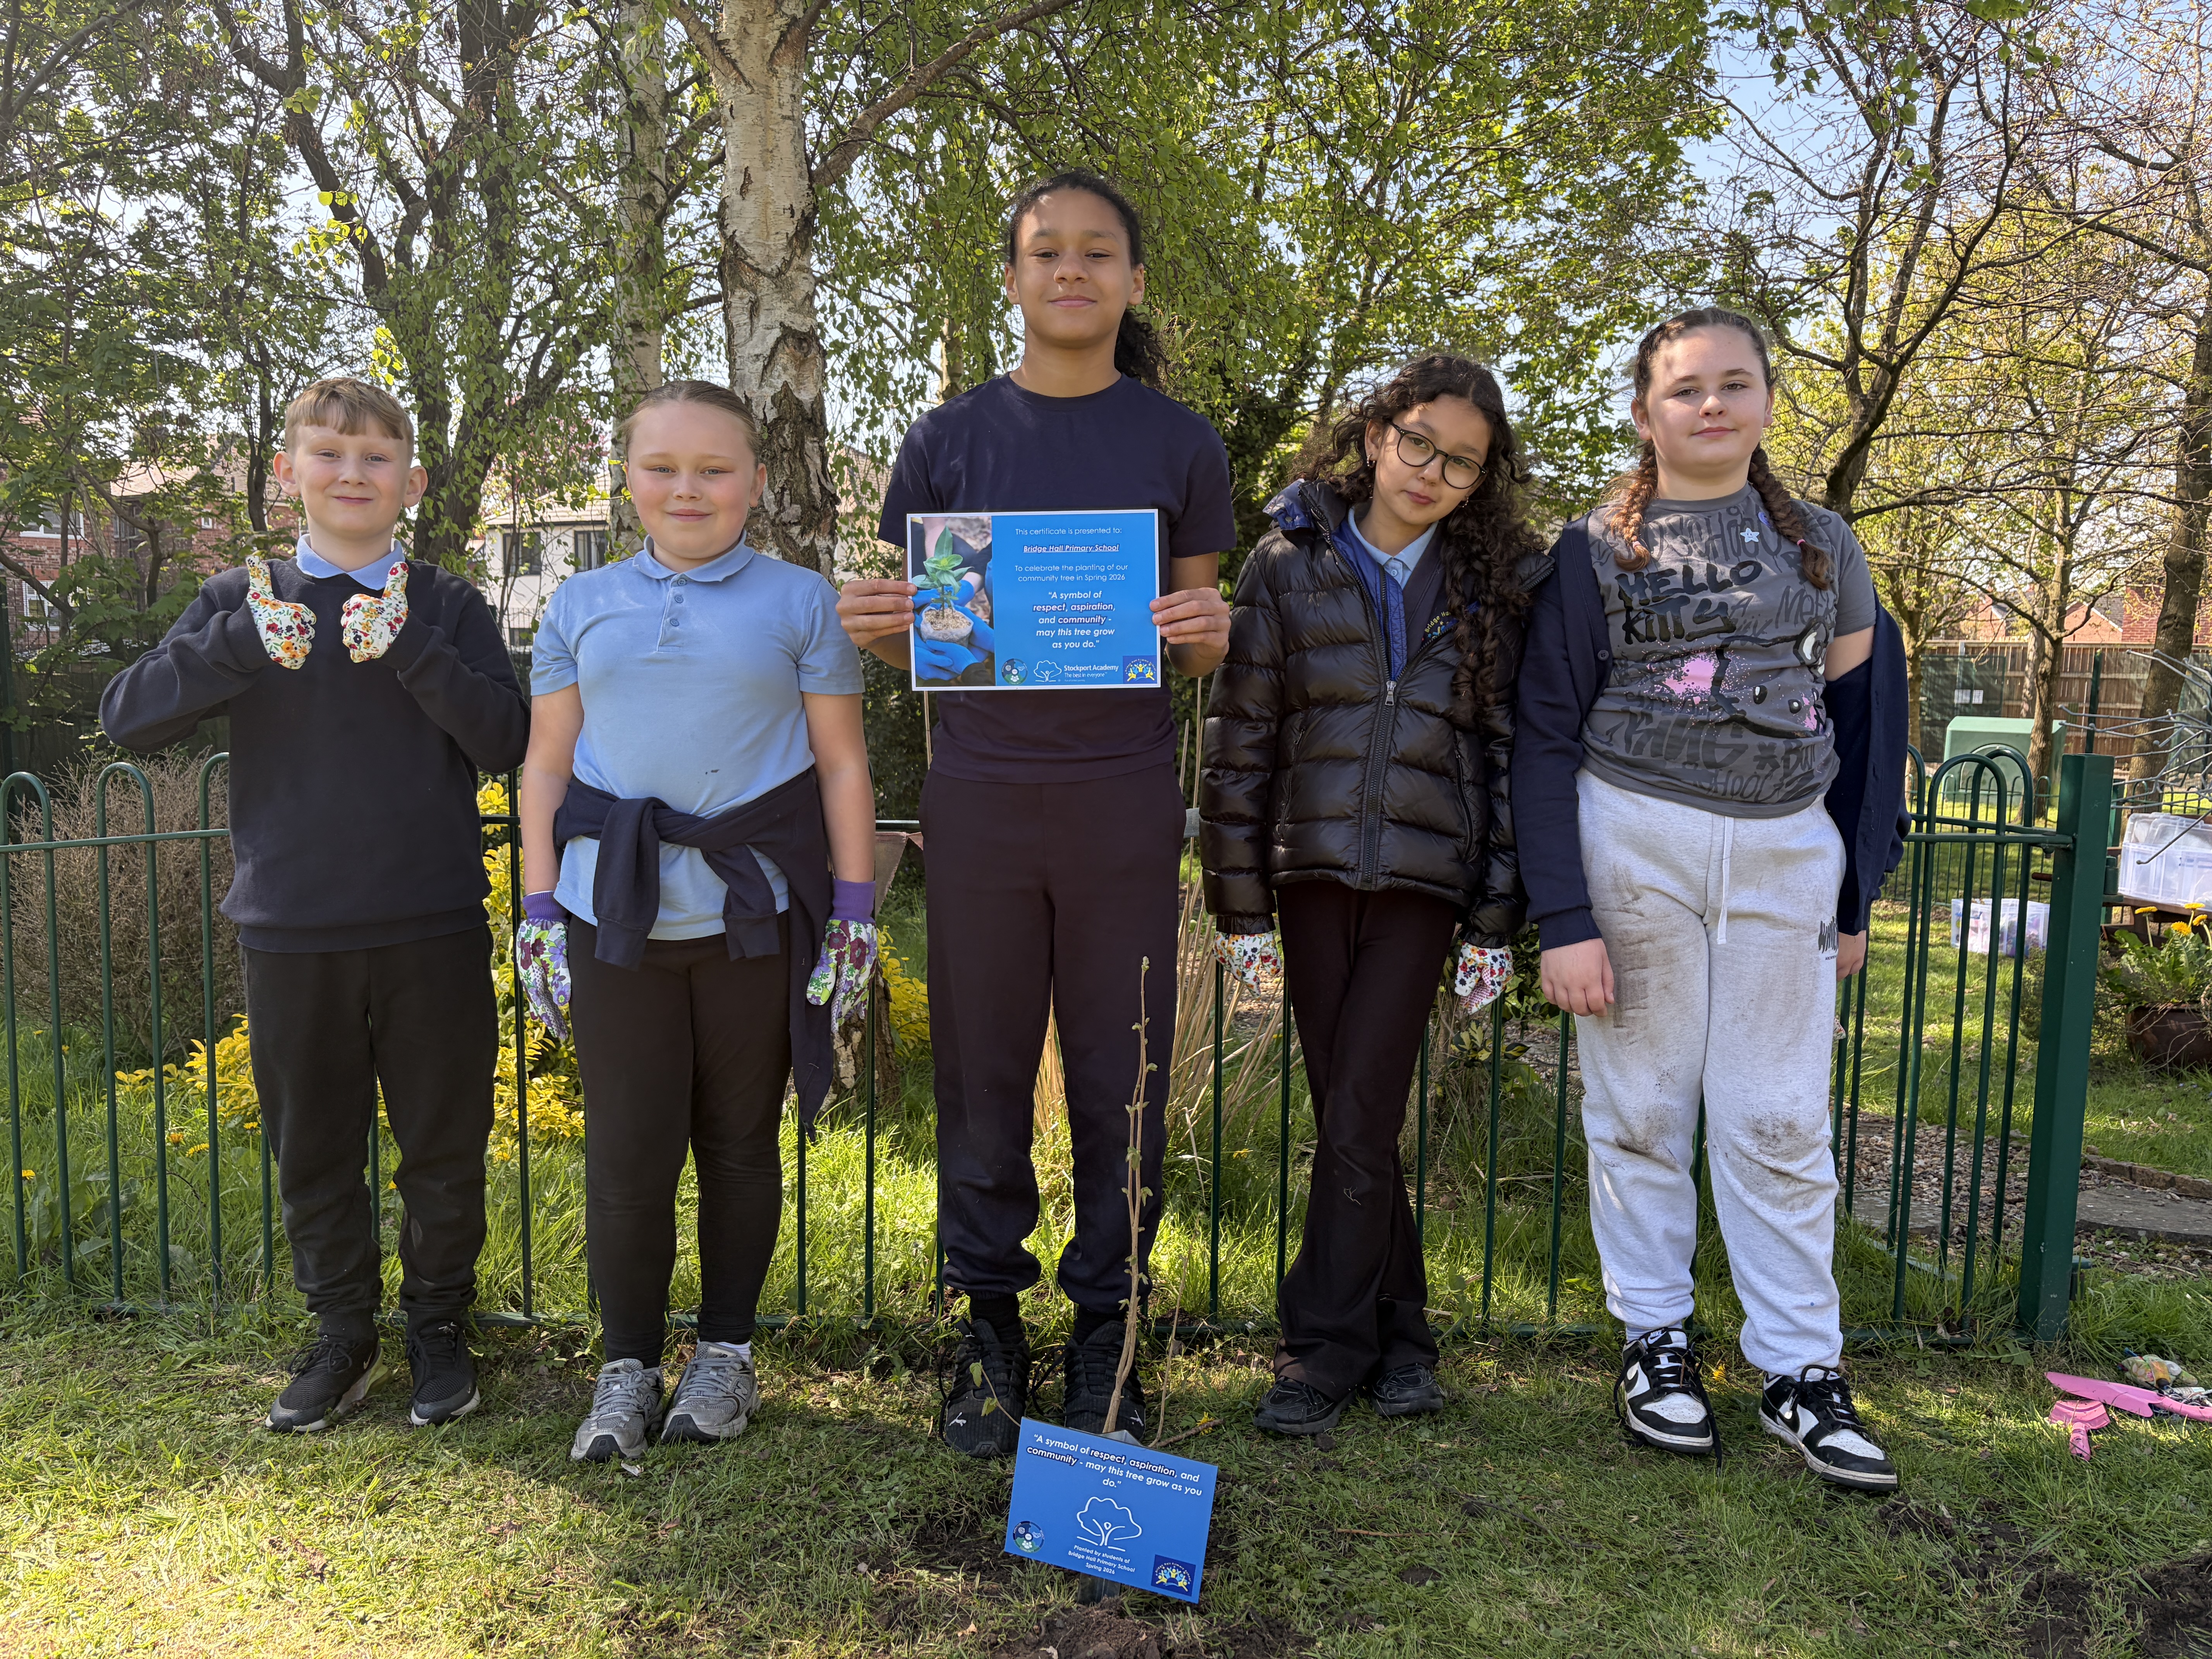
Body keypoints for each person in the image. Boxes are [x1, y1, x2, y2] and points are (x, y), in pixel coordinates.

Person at [835, 170, 1236, 1456]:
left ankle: (1110, 1329)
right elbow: (935, 648)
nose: (1071, 270)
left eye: (1098, 252)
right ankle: (985, 1325)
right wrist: (885, 634)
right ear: (1010, 278)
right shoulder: (946, 442)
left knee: (1126, 1065)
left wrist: (1209, 635)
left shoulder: (1180, 443)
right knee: (984, 1064)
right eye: (1045, 252)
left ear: (1130, 280)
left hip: (1122, 795)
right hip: (983, 797)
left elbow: (1191, 645)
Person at [1513, 307, 1909, 1491]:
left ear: (1770, 405)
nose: (1712, 406)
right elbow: (1542, 732)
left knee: (1779, 1115)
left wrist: (1854, 890)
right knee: (1639, 1106)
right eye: (1686, 390)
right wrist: (1564, 916)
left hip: (1787, 847)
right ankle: (1658, 1345)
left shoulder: (1827, 547)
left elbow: (1865, 722)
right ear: (1647, 415)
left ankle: (1801, 1368)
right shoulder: (1592, 551)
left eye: (1737, 385)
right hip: (1632, 835)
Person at [101, 377, 529, 1432]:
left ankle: (438, 1326)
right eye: (329, 455)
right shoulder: (240, 601)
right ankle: (343, 1331)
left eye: (377, 458)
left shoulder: (449, 606)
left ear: (412, 482)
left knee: (443, 1141)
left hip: (429, 922)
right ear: (286, 472)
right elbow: (126, 720)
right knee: (315, 1149)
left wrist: (414, 651)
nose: (352, 474)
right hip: (290, 929)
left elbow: (509, 741)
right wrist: (241, 645)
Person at [514, 380, 876, 1464]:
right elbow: (545, 763)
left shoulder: (802, 601)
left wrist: (854, 913)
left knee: (736, 1142)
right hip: (608, 915)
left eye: (714, 469)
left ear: (756, 483)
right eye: (662, 467)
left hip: (751, 918)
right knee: (627, 1153)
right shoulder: (577, 605)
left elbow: (844, 762)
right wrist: (537, 911)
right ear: (626, 482)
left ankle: (725, 1354)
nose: (688, 488)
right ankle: (625, 1366)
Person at [1200, 354, 1539, 1436]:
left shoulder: (1494, 586)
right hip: (1307, 873)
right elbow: (1241, 743)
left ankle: (1320, 1347)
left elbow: (1508, 755)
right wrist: (1239, 903)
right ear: (1376, 431)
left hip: (1423, 886)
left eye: (1464, 463)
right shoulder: (1285, 563)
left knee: (1358, 1111)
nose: (1433, 472)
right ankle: (1404, 1339)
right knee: (1358, 1115)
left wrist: (1496, 914)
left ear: (1485, 481)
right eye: (1419, 443)